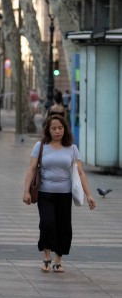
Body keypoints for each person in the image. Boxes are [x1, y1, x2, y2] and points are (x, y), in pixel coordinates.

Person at [22, 114, 96, 273]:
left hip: (65, 194)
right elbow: (31, 169)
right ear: (48, 130)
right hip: (44, 192)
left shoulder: (72, 148)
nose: (57, 131)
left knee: (63, 227)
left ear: (65, 129)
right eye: (54, 128)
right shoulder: (40, 146)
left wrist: (88, 194)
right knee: (47, 223)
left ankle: (58, 260)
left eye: (60, 128)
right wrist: (26, 191)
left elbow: (80, 172)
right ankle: (46, 256)